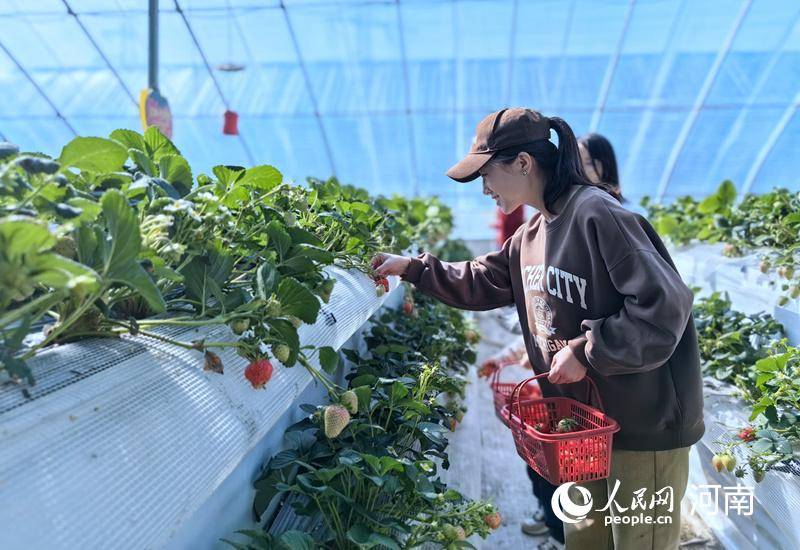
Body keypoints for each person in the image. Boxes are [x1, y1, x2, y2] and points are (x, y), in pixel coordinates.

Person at [372, 108, 705, 550]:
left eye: (487, 175)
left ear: (524, 163)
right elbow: (483, 279)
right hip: (582, 427)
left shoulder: (597, 215)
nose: (485, 189)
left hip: (642, 427)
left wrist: (588, 351)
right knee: (585, 540)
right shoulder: (531, 234)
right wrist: (413, 268)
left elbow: (666, 306)